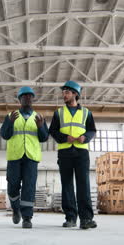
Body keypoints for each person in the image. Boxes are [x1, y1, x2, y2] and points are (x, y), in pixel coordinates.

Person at [49, 81, 97, 229]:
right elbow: (53, 131)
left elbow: (92, 130)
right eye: (63, 92)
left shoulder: (86, 113)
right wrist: (65, 138)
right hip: (65, 152)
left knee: (84, 184)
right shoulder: (58, 113)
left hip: (81, 152)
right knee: (67, 185)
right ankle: (70, 218)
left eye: (67, 92)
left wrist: (85, 137)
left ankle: (86, 219)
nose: (64, 95)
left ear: (75, 94)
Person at [0, 86, 48, 228]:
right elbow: (4, 135)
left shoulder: (38, 117)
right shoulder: (11, 116)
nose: (27, 98)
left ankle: (27, 217)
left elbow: (44, 137)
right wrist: (10, 123)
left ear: (33, 99)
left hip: (31, 157)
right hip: (15, 156)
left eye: (30, 96)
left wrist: (40, 127)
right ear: (20, 99)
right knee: (13, 186)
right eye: (24, 96)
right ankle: (16, 209)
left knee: (29, 187)